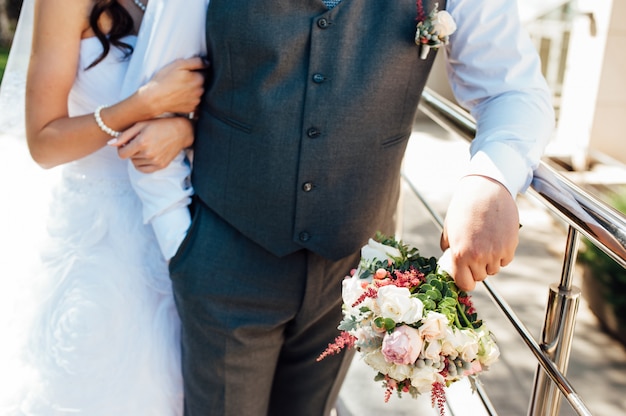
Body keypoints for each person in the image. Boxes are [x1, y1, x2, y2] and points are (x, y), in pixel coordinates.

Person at [121, 0, 554, 415]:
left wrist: (491, 178)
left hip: (354, 270)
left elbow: (512, 89)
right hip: (224, 255)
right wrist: (180, 240)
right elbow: (153, 100)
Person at [0, 0, 207, 414]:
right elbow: (44, 142)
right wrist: (142, 104)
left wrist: (184, 130)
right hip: (95, 239)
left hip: (183, 234)